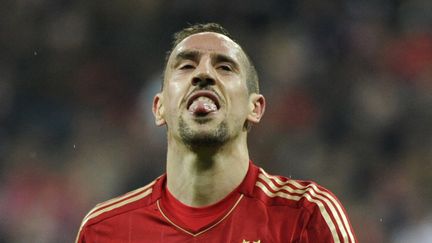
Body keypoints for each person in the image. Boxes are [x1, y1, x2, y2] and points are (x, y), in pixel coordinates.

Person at [76, 23, 357, 243]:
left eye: (224, 67)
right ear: (159, 108)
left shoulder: (305, 216)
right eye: (186, 66)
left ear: (255, 108)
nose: (203, 74)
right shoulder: (104, 231)